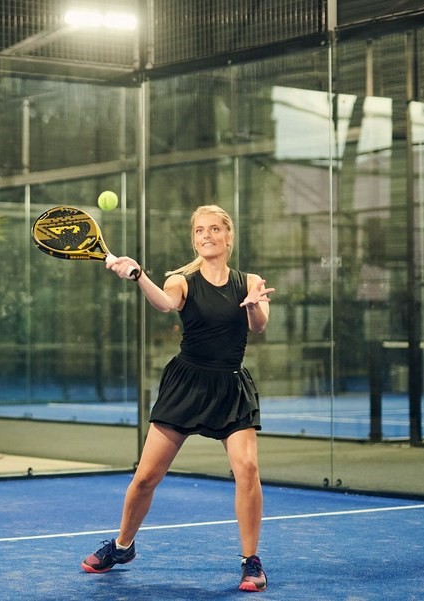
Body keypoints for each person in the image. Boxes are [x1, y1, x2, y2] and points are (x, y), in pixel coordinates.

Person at [82, 204, 275, 593]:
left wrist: (254, 306)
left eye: (215, 229)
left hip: (230, 386)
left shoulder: (250, 281)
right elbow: (165, 303)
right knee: (146, 478)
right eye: (200, 230)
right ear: (194, 239)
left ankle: (250, 561)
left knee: (248, 469)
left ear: (228, 236)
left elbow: (259, 326)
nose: (207, 235)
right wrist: (138, 276)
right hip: (186, 384)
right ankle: (122, 546)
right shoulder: (181, 280)